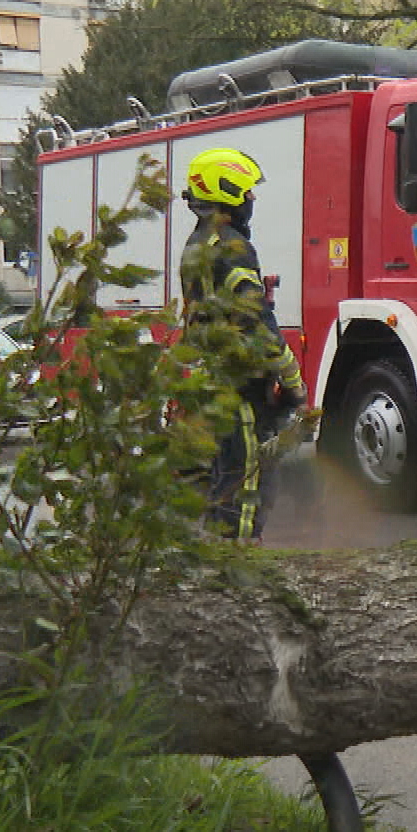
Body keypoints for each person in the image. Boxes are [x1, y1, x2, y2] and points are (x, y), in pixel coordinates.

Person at [179, 147, 307, 541]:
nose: (252, 198)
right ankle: (241, 568)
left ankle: (221, 558)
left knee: (223, 476)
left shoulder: (198, 243)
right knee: (246, 480)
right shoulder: (233, 248)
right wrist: (292, 380)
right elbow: (255, 322)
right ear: (227, 190)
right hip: (240, 386)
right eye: (247, 190)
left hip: (211, 384)